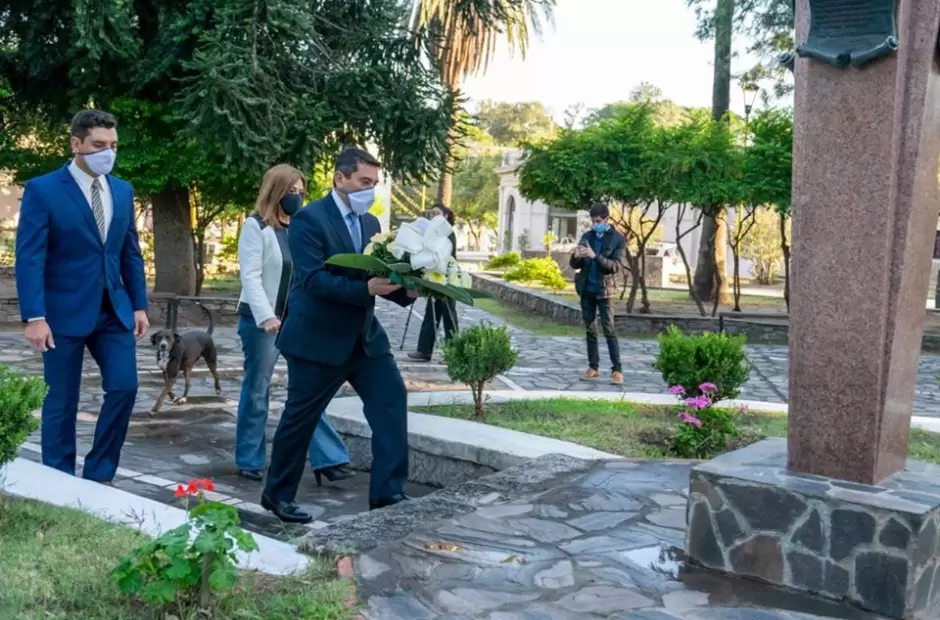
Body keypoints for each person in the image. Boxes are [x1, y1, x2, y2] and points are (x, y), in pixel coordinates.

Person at [262, 147, 416, 523]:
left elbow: (377, 278)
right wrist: (368, 290)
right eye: (365, 182)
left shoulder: (372, 225)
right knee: (301, 419)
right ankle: (278, 496)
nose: (371, 191)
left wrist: (409, 289)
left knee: (391, 402)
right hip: (316, 339)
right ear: (340, 178)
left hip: (364, 338)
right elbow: (313, 280)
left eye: (375, 184)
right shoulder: (308, 219)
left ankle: (388, 492)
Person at [15, 109, 149, 483]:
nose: (108, 152)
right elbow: (30, 256)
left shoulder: (121, 190)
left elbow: (129, 250)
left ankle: (99, 475)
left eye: (113, 145)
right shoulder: (43, 189)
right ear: (76, 144)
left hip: (114, 312)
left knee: (125, 387)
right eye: (98, 145)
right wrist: (35, 316)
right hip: (62, 314)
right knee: (61, 401)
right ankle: (58, 479)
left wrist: (139, 303)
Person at [234, 163, 355, 485]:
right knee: (258, 390)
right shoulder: (255, 226)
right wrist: (267, 316)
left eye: (301, 192)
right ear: (276, 192)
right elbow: (251, 276)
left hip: (299, 321)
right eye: (291, 192)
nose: (297, 198)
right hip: (262, 321)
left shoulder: (303, 227)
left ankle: (329, 458)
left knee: (308, 390)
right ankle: (249, 458)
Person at [570, 203, 625, 386]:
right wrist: (576, 255)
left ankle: (617, 369)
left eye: (598, 221)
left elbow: (615, 267)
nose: (595, 224)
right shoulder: (587, 236)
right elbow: (575, 265)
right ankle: (593, 367)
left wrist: (595, 256)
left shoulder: (617, 239)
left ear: (607, 219)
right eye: (593, 221)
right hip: (587, 289)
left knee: (609, 329)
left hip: (605, 291)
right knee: (590, 330)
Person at [408, 203, 459, 362]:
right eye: (433, 213)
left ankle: (453, 351)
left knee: (448, 314)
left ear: (445, 216)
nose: (434, 216)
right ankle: (424, 350)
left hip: (447, 278)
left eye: (438, 213)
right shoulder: (432, 231)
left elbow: (445, 254)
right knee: (431, 313)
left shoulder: (447, 231)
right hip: (433, 276)